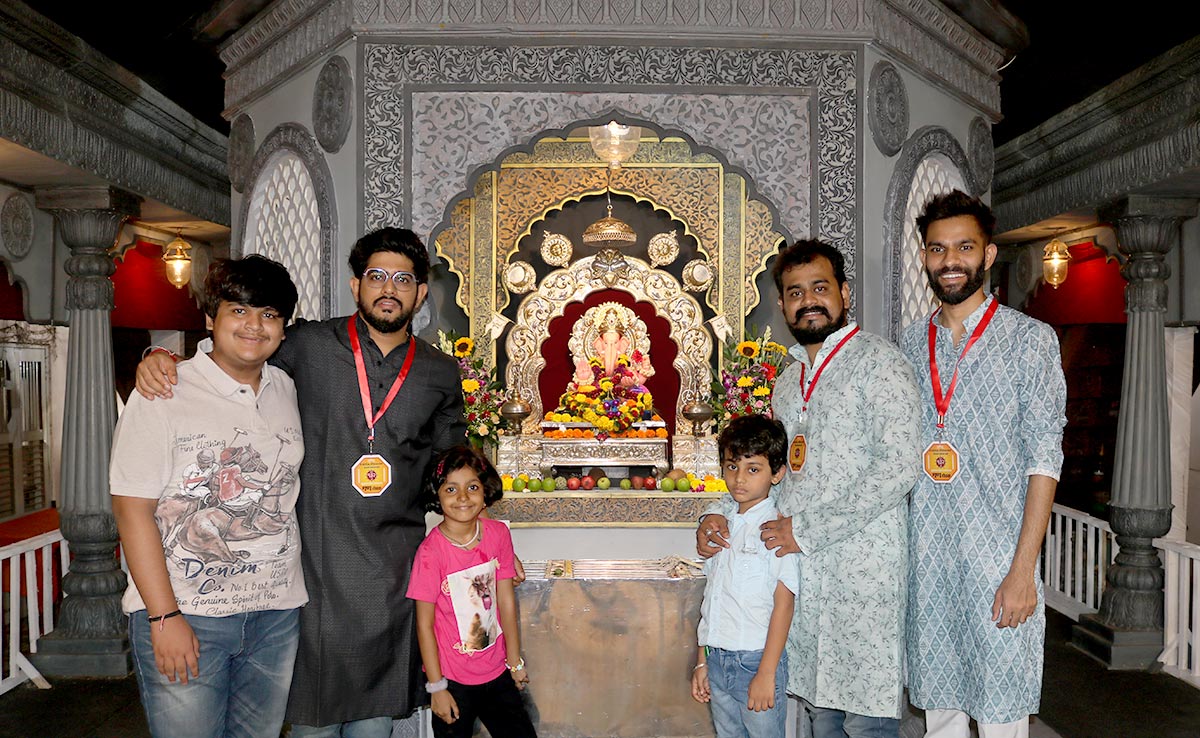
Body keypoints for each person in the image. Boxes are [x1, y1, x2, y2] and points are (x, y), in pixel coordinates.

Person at [135, 228, 467, 737]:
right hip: (305, 574)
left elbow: (450, 465)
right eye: (376, 275)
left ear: (421, 293)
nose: (389, 288)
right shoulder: (307, 345)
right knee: (310, 722)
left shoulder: (441, 372)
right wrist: (167, 361)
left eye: (404, 279)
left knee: (374, 724)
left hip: (391, 574)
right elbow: (236, 360)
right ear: (355, 286)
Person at [697, 239, 922, 738]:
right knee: (822, 715)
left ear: (844, 292)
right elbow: (771, 470)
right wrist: (715, 512)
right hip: (803, 576)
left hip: (863, 576)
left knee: (865, 719)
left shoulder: (880, 363)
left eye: (820, 288)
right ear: (782, 305)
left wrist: (807, 529)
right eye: (795, 292)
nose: (808, 300)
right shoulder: (789, 379)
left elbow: (900, 466)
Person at [111, 255, 306, 738]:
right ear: (210, 319)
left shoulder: (286, 387)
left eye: (269, 314)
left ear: (284, 326)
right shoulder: (164, 392)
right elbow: (131, 510)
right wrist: (163, 617)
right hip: (189, 613)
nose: (254, 326)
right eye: (238, 311)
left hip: (275, 615)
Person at [903, 191, 1066, 738]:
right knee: (941, 721)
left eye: (964, 247)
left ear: (989, 255)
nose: (950, 261)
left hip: (999, 565)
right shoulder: (906, 347)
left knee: (1001, 721)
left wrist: (1023, 571)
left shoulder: (1030, 342)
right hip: (928, 570)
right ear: (924, 257)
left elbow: (1045, 462)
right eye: (937, 249)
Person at [407, 445, 537, 738]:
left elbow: (506, 601)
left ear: (485, 491)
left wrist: (514, 662)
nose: (463, 497)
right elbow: (424, 625)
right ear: (437, 496)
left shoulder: (497, 535)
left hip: (497, 674)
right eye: (451, 489)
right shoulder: (430, 553)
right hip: (452, 681)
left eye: (472, 487)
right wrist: (437, 688)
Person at [691, 415, 796, 738]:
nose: (739, 479)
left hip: (755, 659)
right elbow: (714, 599)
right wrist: (702, 660)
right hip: (718, 658)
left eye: (753, 469)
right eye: (732, 466)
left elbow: (784, 604)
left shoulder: (776, 529)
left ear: (777, 473)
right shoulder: (722, 527)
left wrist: (766, 672)